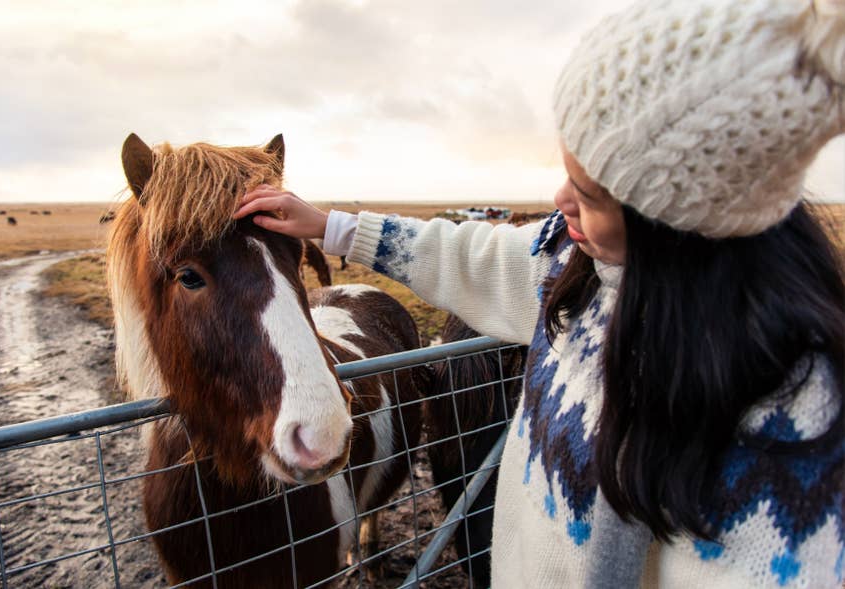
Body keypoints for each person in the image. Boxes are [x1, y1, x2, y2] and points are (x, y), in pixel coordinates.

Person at [234, 0, 845, 586]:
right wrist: (332, 226)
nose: (560, 199)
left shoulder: (790, 442)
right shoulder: (580, 264)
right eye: (568, 171)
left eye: (591, 193)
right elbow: (474, 256)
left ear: (675, 224)